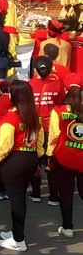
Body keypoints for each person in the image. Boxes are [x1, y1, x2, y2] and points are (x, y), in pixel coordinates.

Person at [0, 79, 43, 251]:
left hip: (14, 161)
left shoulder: (11, 118)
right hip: (31, 158)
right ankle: (15, 231)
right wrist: (36, 159)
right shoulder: (34, 115)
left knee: (16, 200)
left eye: (10, 92)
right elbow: (40, 142)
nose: (8, 95)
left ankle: (18, 240)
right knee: (19, 197)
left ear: (15, 96)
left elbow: (4, 145)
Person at [46, 73, 83, 238]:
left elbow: (54, 136)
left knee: (66, 193)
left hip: (64, 158)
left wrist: (49, 155)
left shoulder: (58, 110)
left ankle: (67, 228)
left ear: (66, 89)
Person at [29, 55, 63, 204]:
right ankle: (53, 197)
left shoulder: (29, 85)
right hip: (51, 128)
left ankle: (36, 194)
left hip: (35, 127)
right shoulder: (58, 84)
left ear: (35, 70)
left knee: (34, 160)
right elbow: (60, 104)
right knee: (51, 161)